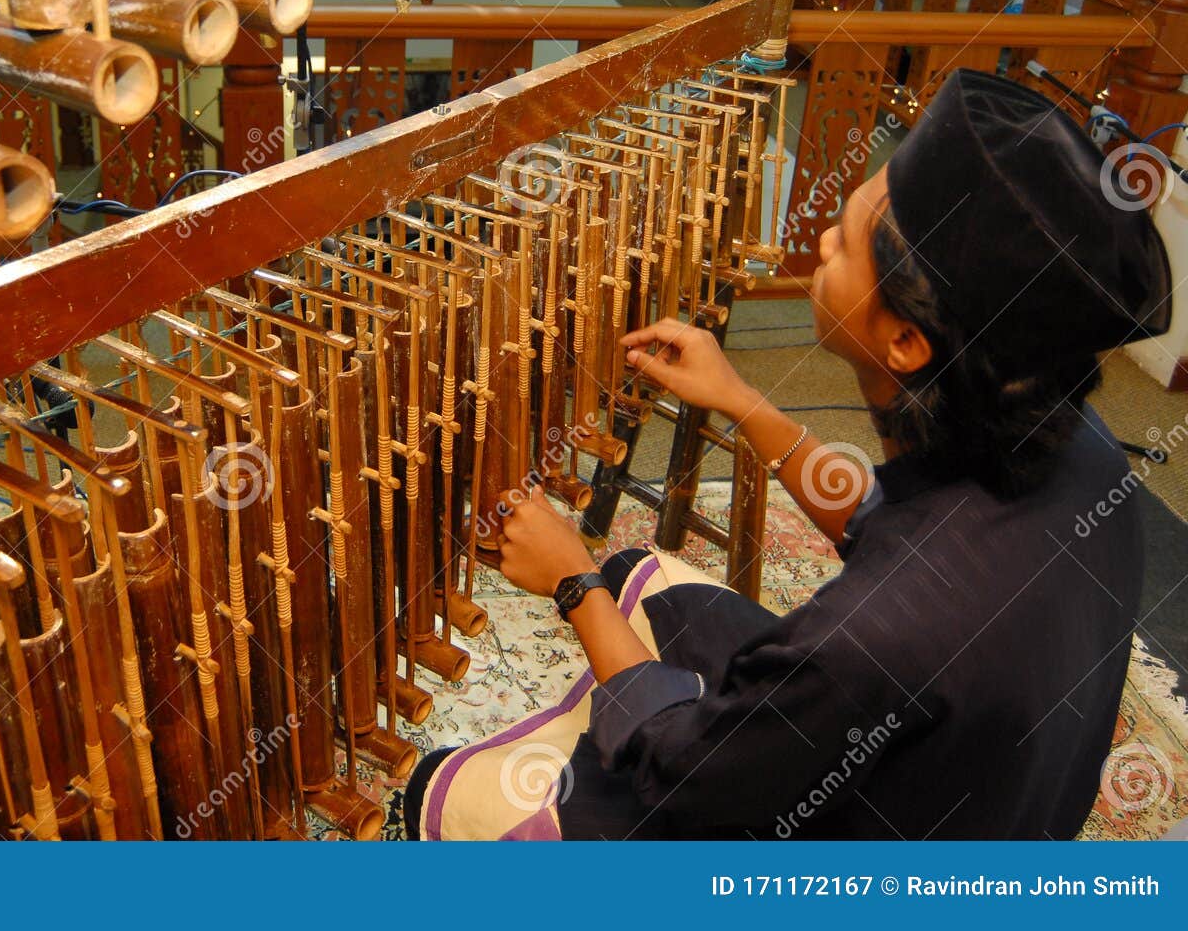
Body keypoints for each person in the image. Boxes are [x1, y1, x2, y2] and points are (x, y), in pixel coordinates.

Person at [407, 68, 1173, 840]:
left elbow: (685, 774)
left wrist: (571, 582)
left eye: (843, 242)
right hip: (974, 786)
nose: (821, 241)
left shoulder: (871, 637)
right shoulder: (1082, 448)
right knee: (644, 584)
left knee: (449, 788)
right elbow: (888, 522)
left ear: (906, 340)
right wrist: (743, 400)